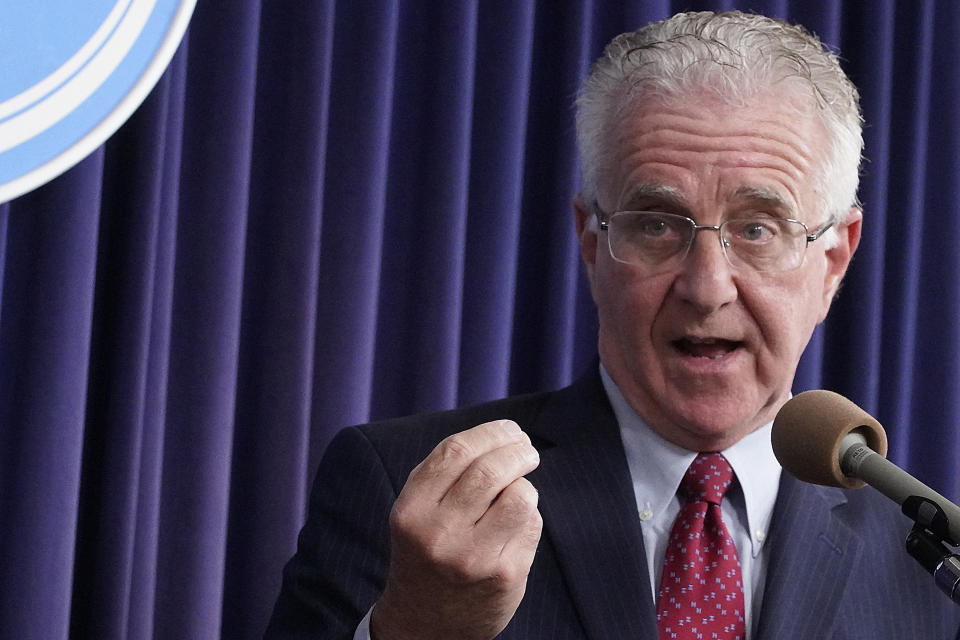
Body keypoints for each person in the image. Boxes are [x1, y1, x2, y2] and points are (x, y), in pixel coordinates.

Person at [266, 10, 960, 640]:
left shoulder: (925, 566)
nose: (706, 286)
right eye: (657, 224)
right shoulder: (409, 500)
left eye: (757, 228)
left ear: (834, 259)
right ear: (591, 243)